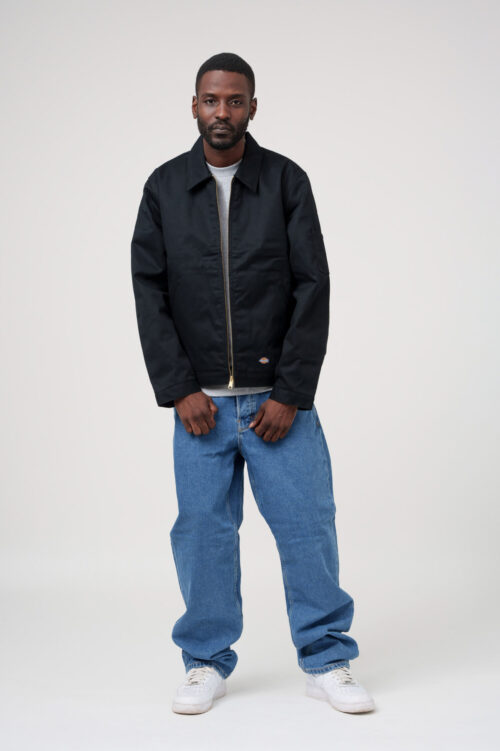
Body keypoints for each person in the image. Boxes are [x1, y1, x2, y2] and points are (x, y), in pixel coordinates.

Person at [131, 52, 375, 715]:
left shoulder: (286, 181)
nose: (223, 111)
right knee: (202, 536)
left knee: (307, 527)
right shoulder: (164, 187)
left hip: (278, 405)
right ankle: (205, 661)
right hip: (201, 407)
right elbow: (149, 292)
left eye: (235, 100)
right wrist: (180, 387)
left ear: (253, 108)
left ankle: (326, 659)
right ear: (194, 106)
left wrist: (290, 392)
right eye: (211, 100)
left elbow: (313, 287)